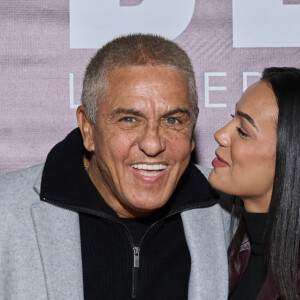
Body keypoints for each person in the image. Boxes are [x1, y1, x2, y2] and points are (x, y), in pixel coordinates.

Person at [0, 34, 231, 300]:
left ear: (192, 126)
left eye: (172, 121)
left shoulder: (228, 213)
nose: (153, 144)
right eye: (130, 119)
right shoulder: (7, 213)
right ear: (88, 128)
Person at [209, 67, 300, 299]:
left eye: (243, 131)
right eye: (233, 119)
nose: (220, 134)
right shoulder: (236, 252)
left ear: (291, 157)